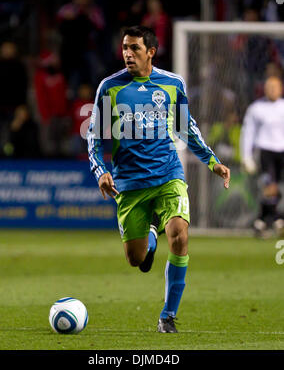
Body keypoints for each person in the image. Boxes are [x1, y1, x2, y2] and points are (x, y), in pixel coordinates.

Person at [87, 26, 230, 333]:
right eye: (125, 47)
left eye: (135, 48)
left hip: (168, 174)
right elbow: (95, 138)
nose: (128, 53)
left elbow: (185, 128)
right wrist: (101, 171)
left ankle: (168, 315)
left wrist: (212, 161)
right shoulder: (109, 88)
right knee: (136, 258)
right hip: (129, 183)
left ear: (151, 51)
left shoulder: (172, 83)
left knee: (179, 235)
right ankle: (150, 235)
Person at [240, 75, 284, 237]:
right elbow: (248, 133)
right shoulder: (256, 108)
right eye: (269, 87)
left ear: (281, 89)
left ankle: (261, 220)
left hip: (282, 152)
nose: (272, 90)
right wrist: (246, 156)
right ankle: (278, 220)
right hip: (266, 152)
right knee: (270, 187)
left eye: (275, 87)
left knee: (276, 189)